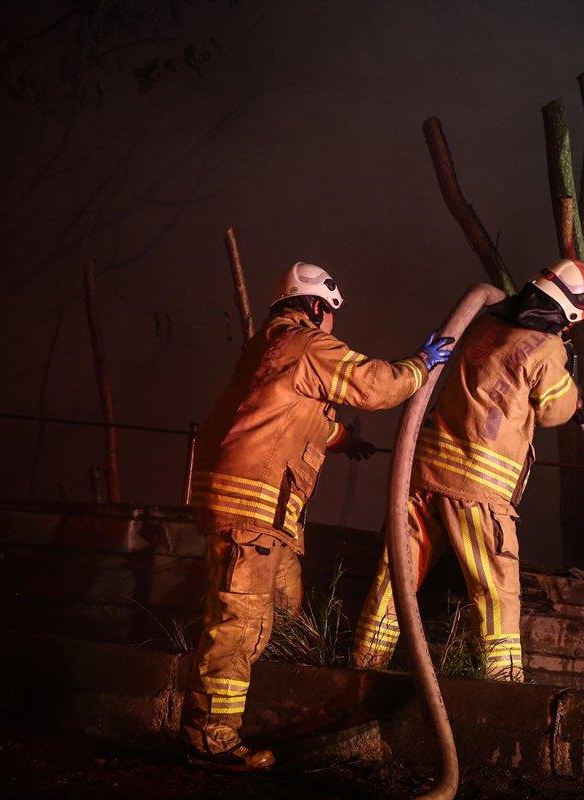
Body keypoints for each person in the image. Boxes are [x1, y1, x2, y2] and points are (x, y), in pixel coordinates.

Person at [179, 261, 453, 771]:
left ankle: (267, 707)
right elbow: (375, 386)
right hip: (253, 507)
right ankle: (209, 740)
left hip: (265, 510)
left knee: (284, 607)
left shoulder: (269, 346)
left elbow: (285, 415)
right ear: (315, 306)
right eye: (331, 315)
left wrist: (345, 441)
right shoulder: (306, 344)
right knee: (240, 623)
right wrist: (421, 364)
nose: (333, 327)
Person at [350, 258, 584, 682]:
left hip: (426, 471)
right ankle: (501, 684)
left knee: (399, 572)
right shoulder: (547, 347)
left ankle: (363, 660)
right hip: (478, 487)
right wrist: (573, 391)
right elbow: (556, 409)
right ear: (570, 313)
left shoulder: (485, 326)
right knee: (495, 588)